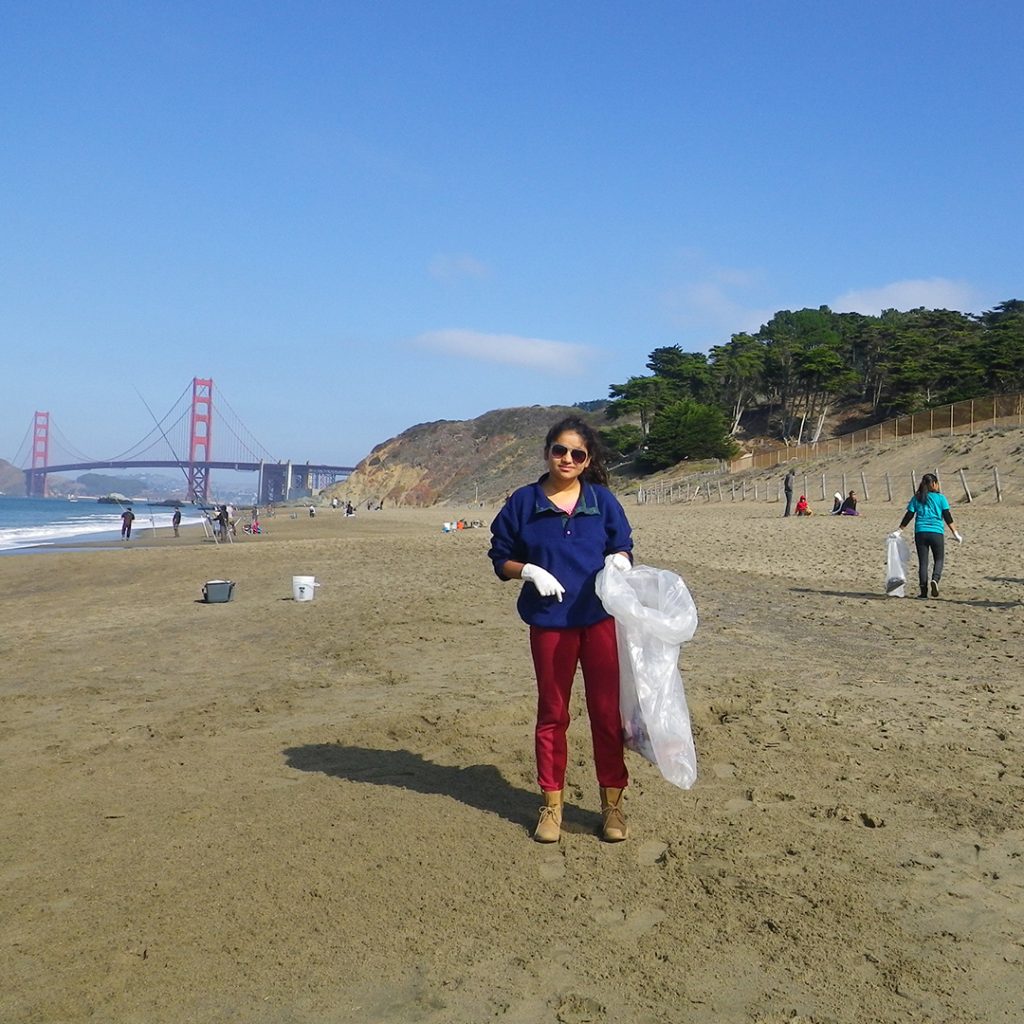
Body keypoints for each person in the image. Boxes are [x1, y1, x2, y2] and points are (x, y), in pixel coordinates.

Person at [488, 416, 634, 844]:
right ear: (548, 451)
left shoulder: (602, 501)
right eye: (559, 450)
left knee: (606, 714)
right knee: (553, 714)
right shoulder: (523, 502)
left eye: (577, 454)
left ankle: (612, 806)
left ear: (587, 461)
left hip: (600, 621)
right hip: (550, 625)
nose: (567, 459)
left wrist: (620, 560)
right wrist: (528, 571)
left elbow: (621, 544)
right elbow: (500, 558)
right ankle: (551, 806)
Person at [894, 473, 962, 598]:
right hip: (936, 532)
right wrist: (956, 533)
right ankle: (935, 579)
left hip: (920, 532)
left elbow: (909, 515)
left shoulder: (917, 498)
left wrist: (899, 531)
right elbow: (947, 516)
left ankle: (923, 592)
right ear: (934, 484)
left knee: (923, 563)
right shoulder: (941, 498)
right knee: (939, 559)